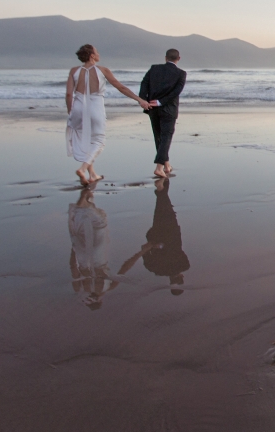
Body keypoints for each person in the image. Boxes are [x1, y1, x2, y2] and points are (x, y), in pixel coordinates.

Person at [66, 44, 151, 185]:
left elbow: (69, 94)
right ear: (92, 55)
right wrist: (140, 99)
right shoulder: (102, 70)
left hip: (78, 108)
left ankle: (92, 174)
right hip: (95, 108)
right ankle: (83, 169)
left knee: (85, 139)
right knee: (99, 141)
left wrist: (71, 111)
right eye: (97, 52)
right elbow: (120, 87)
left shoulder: (74, 71)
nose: (99, 54)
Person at [119, 177, 190, 295]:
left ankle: (163, 184)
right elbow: (144, 248)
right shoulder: (155, 269)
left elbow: (178, 252)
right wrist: (154, 247)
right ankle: (163, 181)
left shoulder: (184, 265)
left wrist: (161, 247)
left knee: (166, 210)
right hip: (156, 235)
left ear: (181, 278)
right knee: (160, 210)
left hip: (172, 235)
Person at [139, 48, 187, 179]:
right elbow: (176, 92)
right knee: (166, 137)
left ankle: (166, 165)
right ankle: (159, 167)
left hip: (151, 107)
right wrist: (161, 102)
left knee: (158, 136)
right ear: (179, 58)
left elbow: (144, 83)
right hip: (168, 109)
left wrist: (143, 100)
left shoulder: (154, 69)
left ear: (165, 58)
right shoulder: (181, 73)